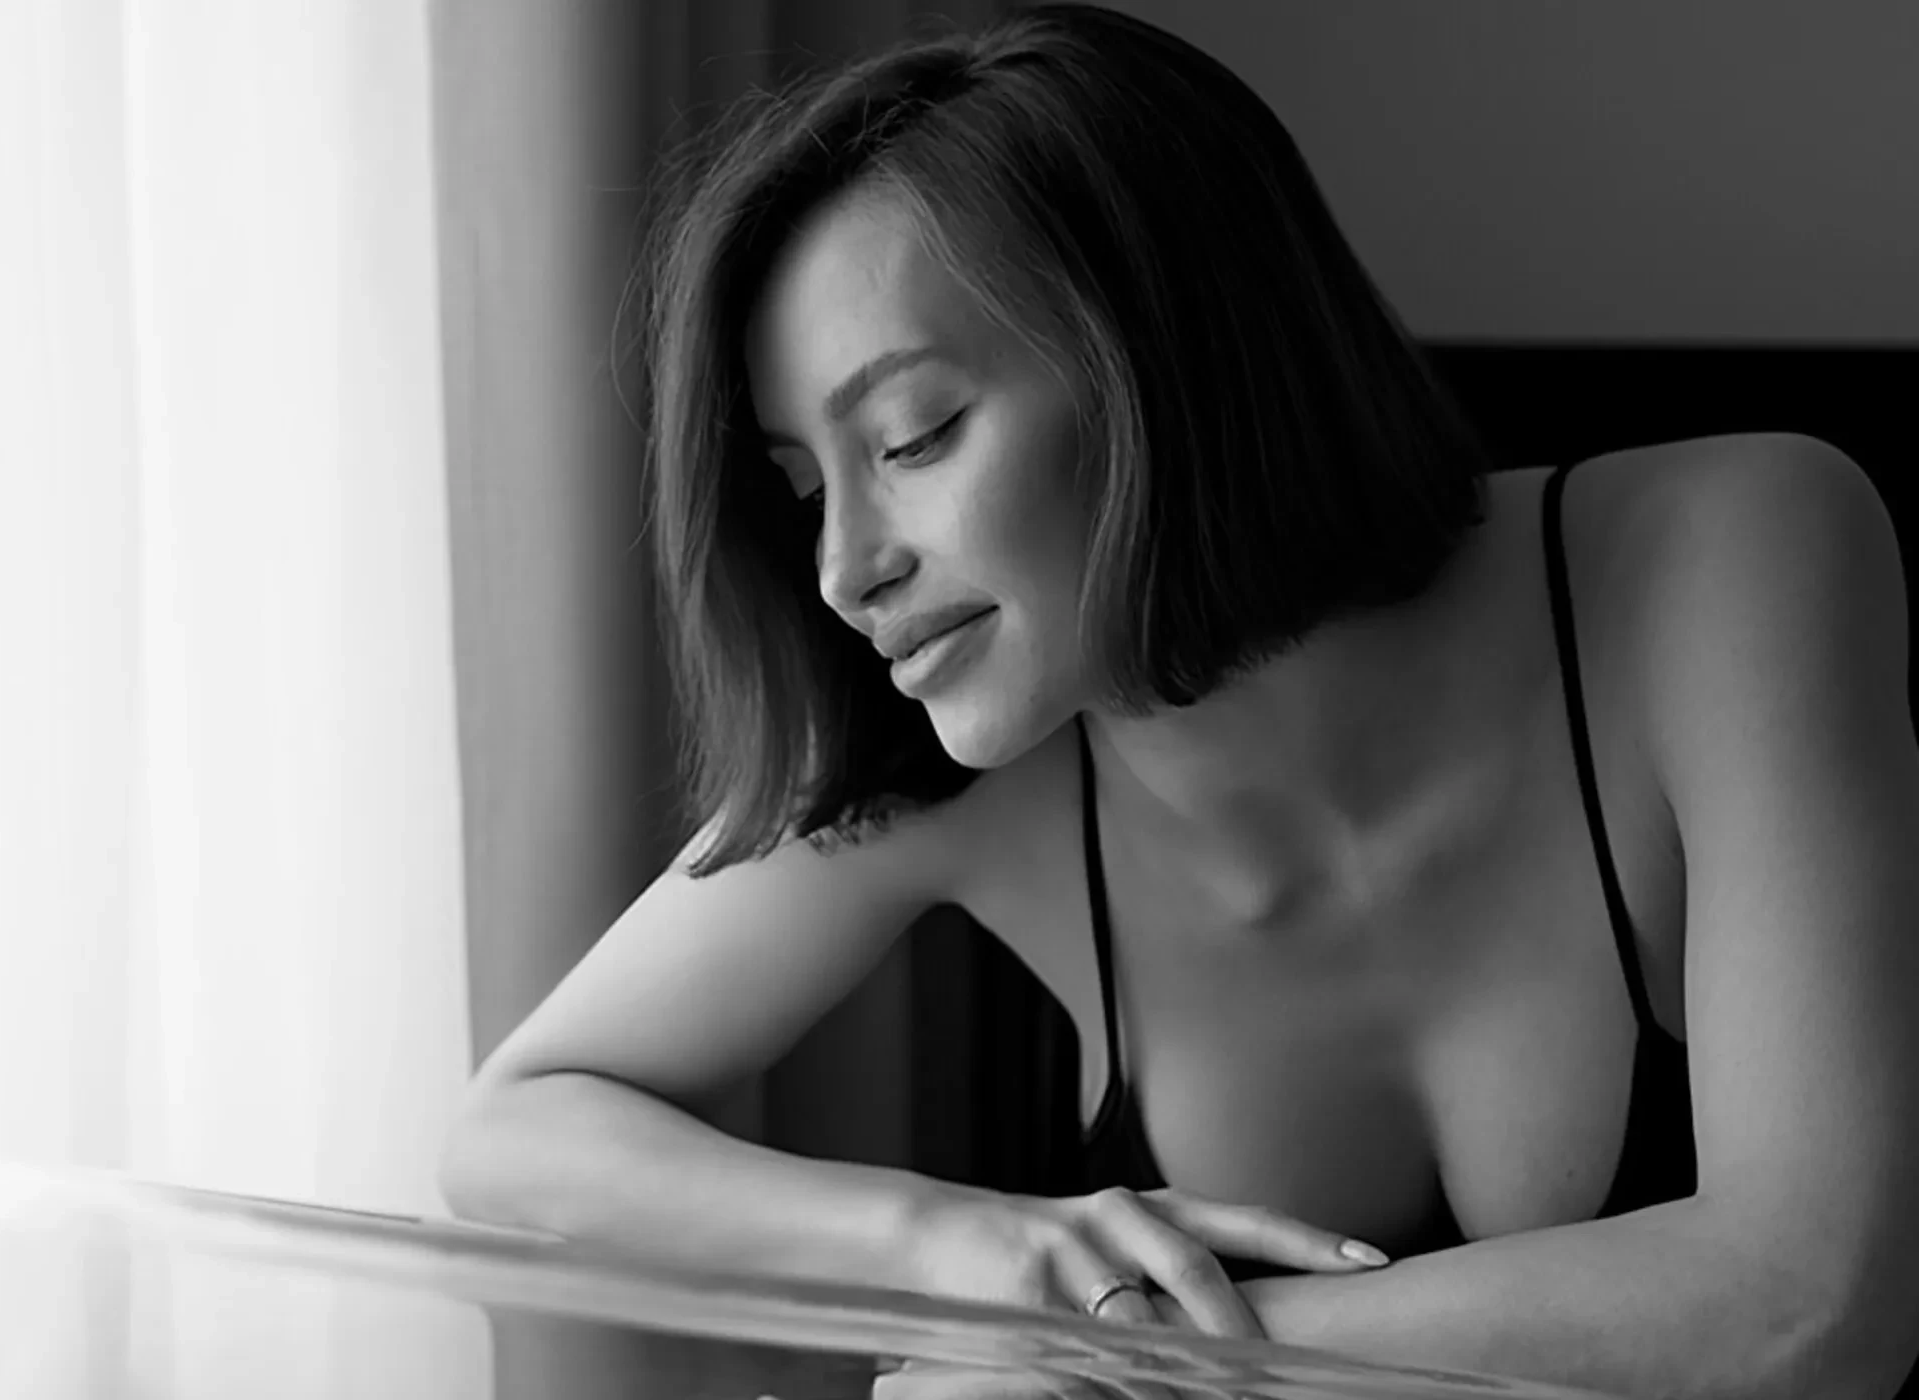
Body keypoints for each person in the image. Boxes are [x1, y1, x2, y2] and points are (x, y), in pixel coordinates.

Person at [437, 6, 1919, 1397]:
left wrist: (1105, 1365)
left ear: (1169, 352)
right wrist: (962, 1244)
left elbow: (1814, 1300)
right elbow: (514, 1134)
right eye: (803, 489)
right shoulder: (957, 770)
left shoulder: (1732, 549)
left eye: (915, 435)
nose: (842, 570)